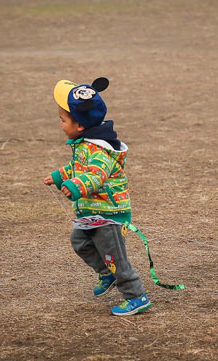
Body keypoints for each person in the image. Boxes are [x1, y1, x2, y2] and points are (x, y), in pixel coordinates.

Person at [43, 77, 151, 316]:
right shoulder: (84, 144)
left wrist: (76, 186)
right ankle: (106, 273)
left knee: (116, 258)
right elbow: (78, 167)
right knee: (80, 242)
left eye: (63, 120)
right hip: (92, 213)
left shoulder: (100, 150)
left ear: (79, 125)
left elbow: (95, 176)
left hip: (108, 215)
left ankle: (136, 296)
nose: (60, 124)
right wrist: (60, 176)